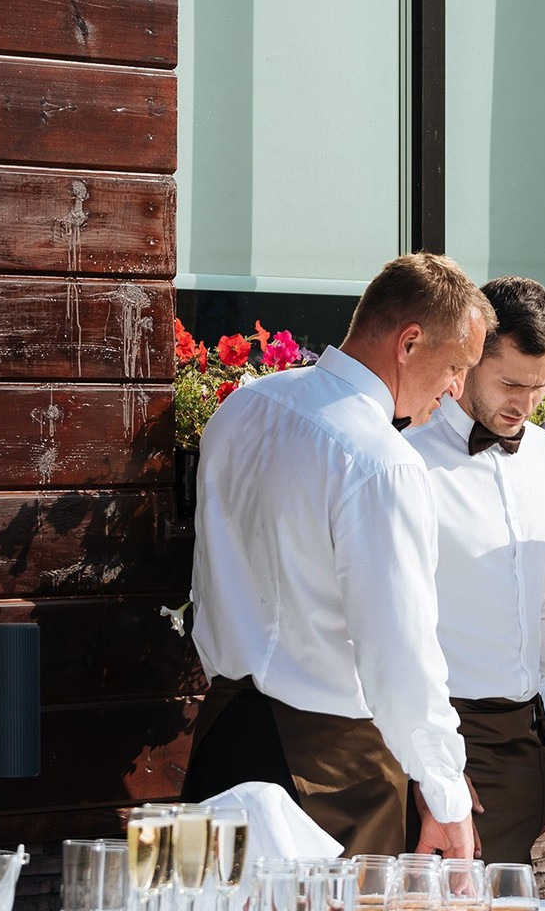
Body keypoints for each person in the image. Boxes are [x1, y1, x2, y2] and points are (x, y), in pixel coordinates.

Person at [183, 253, 490, 859]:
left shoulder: (242, 407)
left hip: (222, 741)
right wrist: (447, 795)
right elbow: (400, 655)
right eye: (457, 365)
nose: (457, 389)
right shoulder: (381, 462)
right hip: (332, 776)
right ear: (409, 343)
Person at [406, 277, 545, 865]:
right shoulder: (407, 459)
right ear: (469, 356)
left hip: (526, 743)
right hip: (441, 738)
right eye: (510, 383)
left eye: (541, 387)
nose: (525, 406)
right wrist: (431, 766)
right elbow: (387, 629)